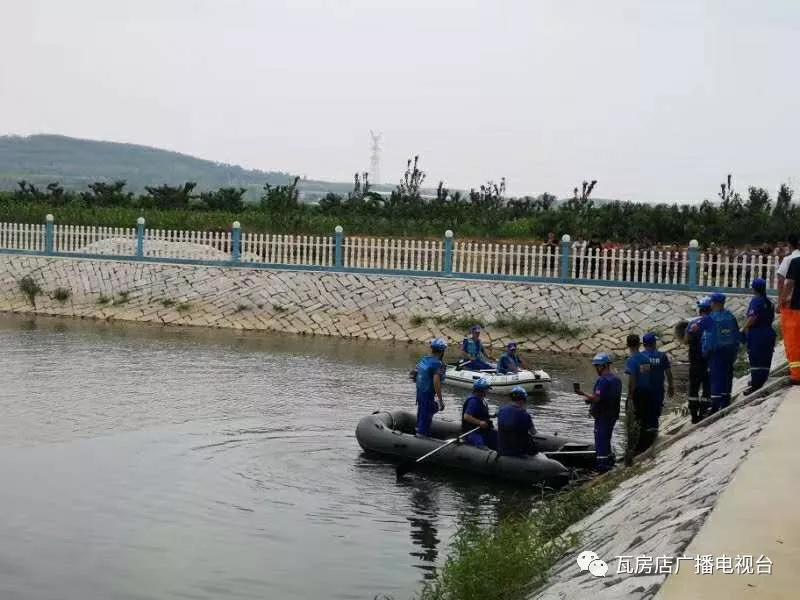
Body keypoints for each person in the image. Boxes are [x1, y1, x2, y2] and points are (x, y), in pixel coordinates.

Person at [577, 352, 622, 472]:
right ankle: (609, 463)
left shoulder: (603, 381)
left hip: (602, 416)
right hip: (612, 415)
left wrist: (583, 394)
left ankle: (602, 468)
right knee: (607, 439)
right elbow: (609, 397)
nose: (596, 369)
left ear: (603, 366)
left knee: (601, 441)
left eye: (597, 366)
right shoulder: (616, 380)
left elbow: (597, 398)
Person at [702, 292, 741, 411]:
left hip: (716, 353)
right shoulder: (730, 316)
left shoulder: (710, 319)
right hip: (729, 352)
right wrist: (735, 351)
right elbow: (736, 335)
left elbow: (707, 338)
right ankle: (725, 401)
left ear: (713, 303)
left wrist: (705, 352)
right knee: (727, 376)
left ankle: (715, 406)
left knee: (716, 378)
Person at [637, 333, 674, 451]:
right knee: (655, 414)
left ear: (644, 344)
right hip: (658, 391)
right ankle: (653, 439)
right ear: (654, 343)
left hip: (643, 392)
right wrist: (671, 386)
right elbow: (668, 373)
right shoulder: (662, 356)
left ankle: (644, 443)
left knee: (644, 416)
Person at [742, 278, 776, 393]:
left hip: (758, 334)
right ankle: (762, 379)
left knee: (756, 357)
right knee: (765, 357)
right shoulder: (769, 302)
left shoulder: (756, 301)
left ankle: (756, 384)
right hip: (769, 332)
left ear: (754, 289)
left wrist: (744, 327)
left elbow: (753, 317)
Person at [684, 297, 712, 423]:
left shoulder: (692, 323)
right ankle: (704, 411)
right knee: (707, 387)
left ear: (700, 309)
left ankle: (694, 415)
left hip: (695, 361)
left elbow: (686, 341)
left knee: (694, 388)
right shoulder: (713, 322)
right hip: (709, 361)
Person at [413, 338, 447, 436]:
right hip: (427, 394)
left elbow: (415, 373)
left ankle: (418, 428)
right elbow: (436, 383)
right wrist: (440, 400)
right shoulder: (437, 364)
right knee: (429, 411)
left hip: (419, 392)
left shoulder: (425, 359)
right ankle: (421, 435)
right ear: (442, 351)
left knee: (422, 412)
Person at [496, 386, 537, 457]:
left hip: (501, 449)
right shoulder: (525, 414)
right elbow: (533, 432)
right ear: (523, 400)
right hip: (517, 452)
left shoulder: (501, 410)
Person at [779, 253, 800, 385]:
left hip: (797, 308)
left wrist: (782, 299)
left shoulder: (796, 262)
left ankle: (797, 376)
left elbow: (789, 284)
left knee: (795, 342)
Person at [461, 378, 497, 449]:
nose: (487, 391)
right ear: (481, 390)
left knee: (496, 436)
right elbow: (466, 416)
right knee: (481, 446)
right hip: (472, 432)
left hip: (482, 430)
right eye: (486, 389)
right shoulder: (473, 401)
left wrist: (491, 415)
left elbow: (480, 414)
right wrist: (480, 422)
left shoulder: (481, 399)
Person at [776, 235, 800, 313]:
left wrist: (780, 301)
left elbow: (781, 281)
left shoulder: (788, 259)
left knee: (791, 323)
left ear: (789, 244)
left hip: (791, 299)